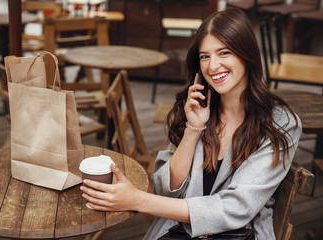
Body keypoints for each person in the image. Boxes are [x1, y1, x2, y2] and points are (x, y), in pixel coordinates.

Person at [80, 7, 302, 239]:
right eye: (205, 56)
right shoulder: (201, 108)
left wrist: (138, 199)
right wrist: (193, 129)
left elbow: (236, 209)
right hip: (180, 232)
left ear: (247, 55)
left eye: (224, 53)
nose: (212, 66)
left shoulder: (281, 124)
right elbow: (167, 190)